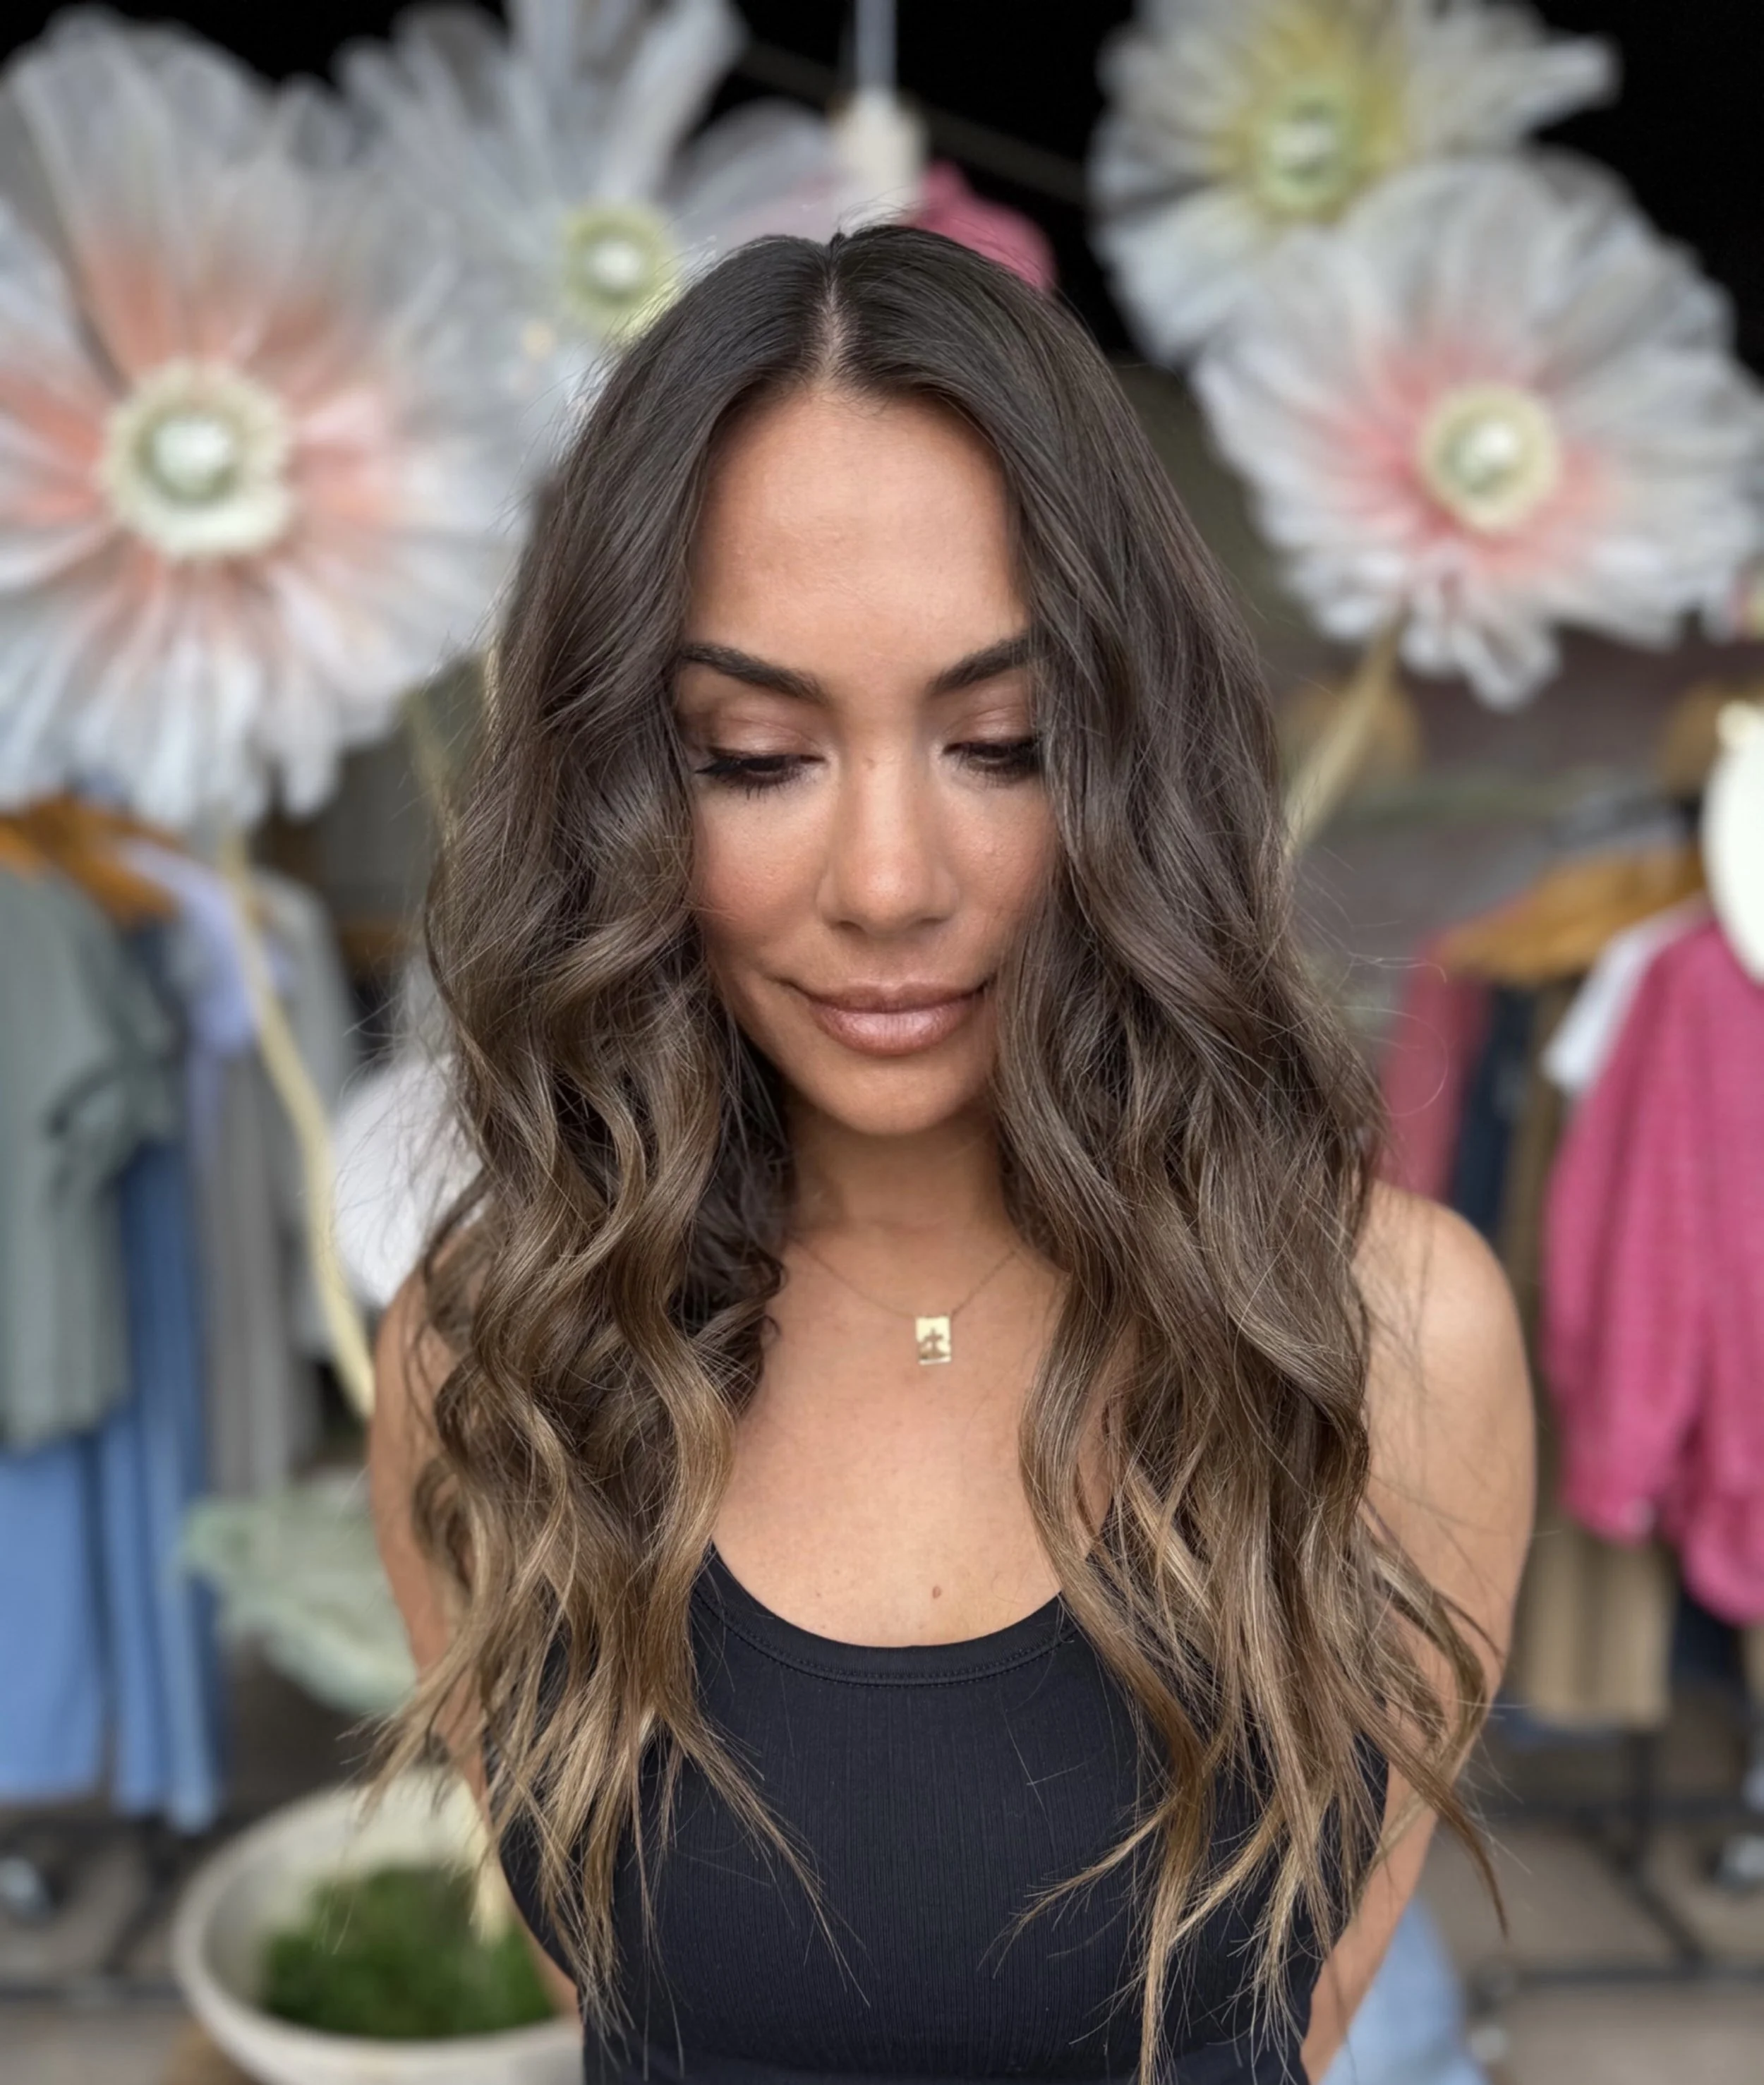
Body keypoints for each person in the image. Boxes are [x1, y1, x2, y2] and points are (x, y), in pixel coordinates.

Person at [369, 226, 1534, 2085]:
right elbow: (596, 1982)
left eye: (1002, 739)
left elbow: (1301, 2010)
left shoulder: (1382, 1336)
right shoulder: (498, 1357)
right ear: (618, 794)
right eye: (753, 756)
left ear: (1133, 760)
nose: (892, 884)